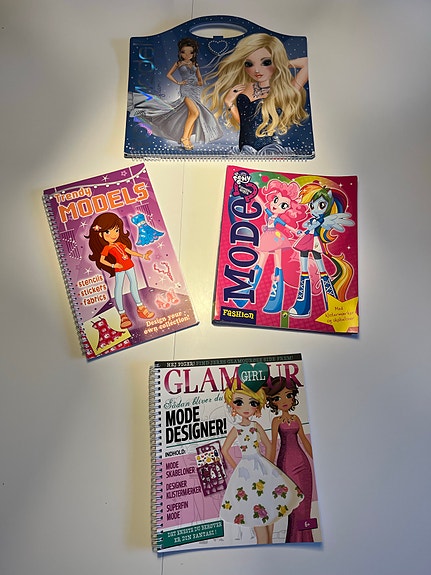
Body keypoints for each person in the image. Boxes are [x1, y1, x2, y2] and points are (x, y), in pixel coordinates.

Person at [219, 377, 303, 544]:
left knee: (269, 504)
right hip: (246, 468)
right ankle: (263, 544)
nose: (246, 408)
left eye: (252, 403)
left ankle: (268, 543)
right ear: (233, 406)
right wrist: (237, 467)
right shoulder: (236, 429)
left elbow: (269, 445)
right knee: (254, 505)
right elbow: (224, 450)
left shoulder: (255, 426)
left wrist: (268, 464)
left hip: (261, 465)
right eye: (239, 402)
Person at [203, 33, 308, 155]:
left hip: (269, 150)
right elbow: (244, 123)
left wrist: (281, 63)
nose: (257, 70)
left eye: (266, 62)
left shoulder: (283, 90)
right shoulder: (244, 86)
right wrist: (229, 102)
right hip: (246, 150)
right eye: (249, 64)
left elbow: (306, 63)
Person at [128, 38, 222, 149]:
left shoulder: (195, 64)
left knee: (191, 114)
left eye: (190, 52)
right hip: (186, 89)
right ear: (180, 53)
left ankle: (186, 139)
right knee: (195, 113)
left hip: (195, 90)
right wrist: (178, 82)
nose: (187, 55)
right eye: (184, 52)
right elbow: (168, 74)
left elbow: (200, 79)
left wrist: (199, 83)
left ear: (194, 53)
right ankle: (184, 138)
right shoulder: (179, 63)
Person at [264, 376, 314, 542]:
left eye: (288, 395)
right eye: (278, 398)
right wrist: (269, 469)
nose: (284, 401)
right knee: (295, 506)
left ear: (293, 397)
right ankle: (295, 541)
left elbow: (304, 441)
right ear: (273, 402)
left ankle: (307, 540)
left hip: (303, 464)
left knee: (306, 506)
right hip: (286, 465)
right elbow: (272, 445)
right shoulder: (276, 421)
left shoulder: (296, 419)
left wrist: (318, 461)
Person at [86, 212, 154, 329]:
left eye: (116, 230)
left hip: (129, 265)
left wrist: (143, 255)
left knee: (134, 284)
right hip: (119, 268)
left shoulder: (120, 244)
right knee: (119, 288)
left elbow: (130, 252)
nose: (114, 234)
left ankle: (140, 307)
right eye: (108, 232)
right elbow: (102, 260)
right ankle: (122, 314)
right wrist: (113, 265)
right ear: (101, 235)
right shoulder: (107, 248)